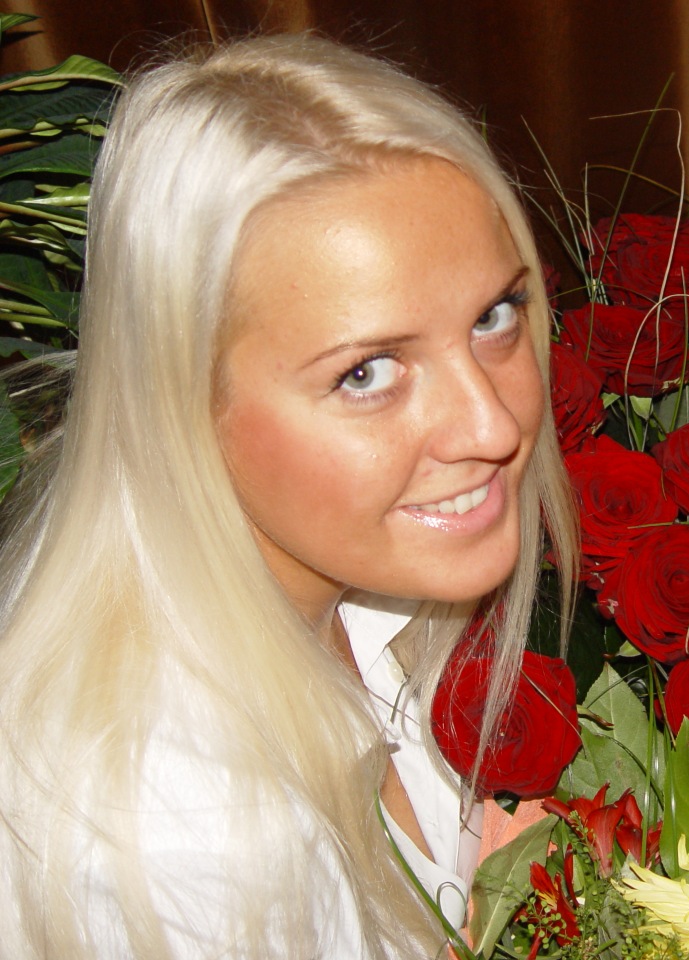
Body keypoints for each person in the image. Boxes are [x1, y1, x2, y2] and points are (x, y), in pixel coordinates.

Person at [0, 34, 577, 959]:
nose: (493, 425)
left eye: (493, 316)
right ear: (181, 399)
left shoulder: (352, 599)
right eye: (366, 372)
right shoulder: (192, 845)